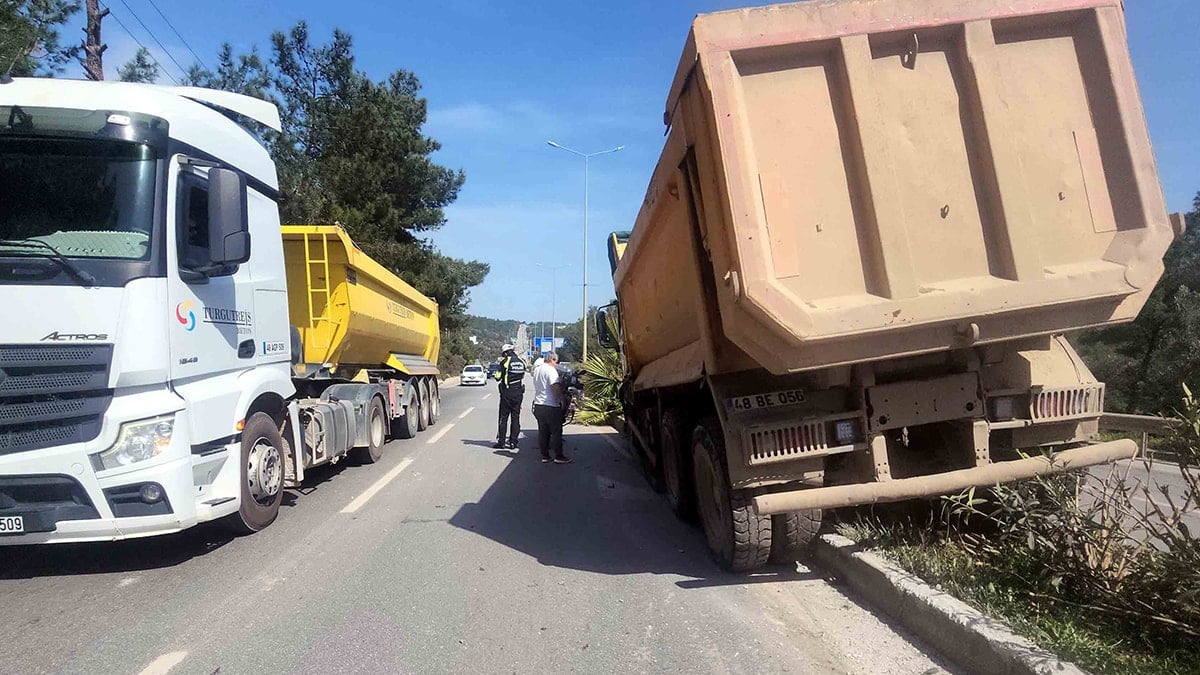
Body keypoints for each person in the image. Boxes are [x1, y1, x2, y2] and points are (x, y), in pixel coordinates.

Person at [532, 351, 571, 464]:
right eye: (556, 361)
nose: (556, 364)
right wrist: (562, 400)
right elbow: (554, 386)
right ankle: (559, 456)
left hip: (538, 404)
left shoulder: (537, 369)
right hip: (550, 405)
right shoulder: (551, 370)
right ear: (552, 360)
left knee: (543, 432)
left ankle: (545, 456)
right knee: (556, 432)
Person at [493, 344, 526, 449]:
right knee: (515, 418)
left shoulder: (505, 362)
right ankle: (513, 442)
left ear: (506, 353)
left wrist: (497, 373)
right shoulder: (522, 362)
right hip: (518, 393)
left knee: (503, 417)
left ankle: (501, 442)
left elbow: (498, 377)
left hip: (507, 393)